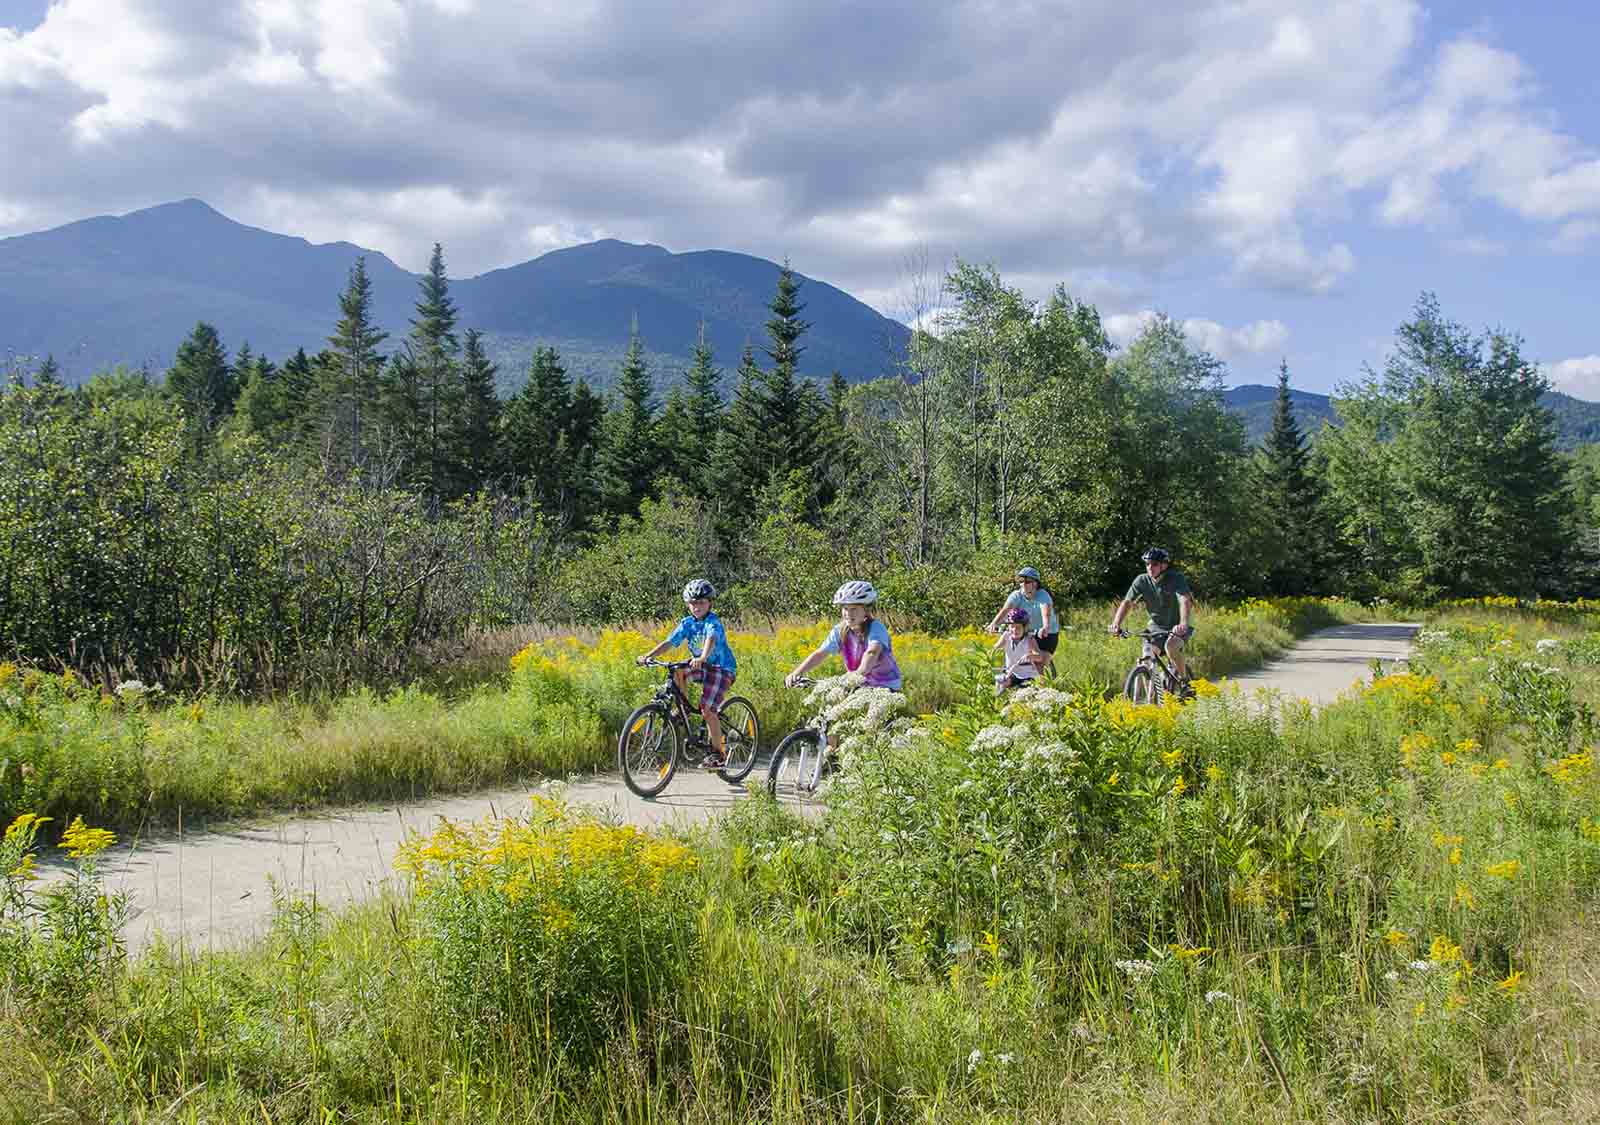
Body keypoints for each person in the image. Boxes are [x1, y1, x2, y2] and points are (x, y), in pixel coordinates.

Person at [637, 578, 737, 768]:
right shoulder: (687, 623)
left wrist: (703, 657)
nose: (697, 606)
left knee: (708, 710)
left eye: (701, 602)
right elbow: (669, 642)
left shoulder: (713, 622)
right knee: (677, 671)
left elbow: (711, 639)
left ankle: (719, 755)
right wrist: (647, 656)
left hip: (721, 669)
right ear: (687, 604)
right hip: (701, 667)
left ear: (709, 603)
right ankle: (682, 709)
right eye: (693, 603)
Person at [785, 580, 903, 692]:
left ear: (866, 610)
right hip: (856, 684)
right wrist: (797, 673)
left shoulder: (876, 627)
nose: (848, 613)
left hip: (885, 685)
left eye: (854, 609)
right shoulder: (840, 630)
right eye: (845, 608)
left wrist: (857, 674)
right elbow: (820, 653)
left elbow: (872, 652)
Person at [1107, 547, 1196, 686]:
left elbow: (1184, 600)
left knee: (1171, 647)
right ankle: (1153, 694)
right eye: (1147, 564)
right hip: (1155, 627)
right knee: (1147, 657)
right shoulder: (1142, 580)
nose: (1150, 567)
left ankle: (1184, 681)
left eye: (1154, 564)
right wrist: (1116, 623)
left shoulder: (1176, 578)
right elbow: (1127, 602)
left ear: (1164, 565)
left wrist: (1183, 623)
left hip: (1178, 626)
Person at [987, 566, 1060, 675]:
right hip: (1027, 633)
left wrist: (1045, 627)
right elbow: (1006, 610)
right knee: (1016, 657)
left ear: (1035, 583)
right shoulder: (1017, 595)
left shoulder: (1042, 595)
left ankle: (1042, 687)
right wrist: (994, 623)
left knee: (1039, 662)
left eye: (1027, 581)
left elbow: (1046, 612)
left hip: (1046, 635)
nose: (1023, 584)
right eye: (1021, 581)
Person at [993, 606, 1045, 694]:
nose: (1014, 630)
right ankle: (996, 704)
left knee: (1025, 694)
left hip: (1027, 675)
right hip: (1011, 672)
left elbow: (1040, 657)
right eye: (1012, 626)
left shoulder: (1029, 639)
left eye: (1018, 627)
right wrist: (995, 649)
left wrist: (1031, 656)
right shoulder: (1006, 636)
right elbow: (994, 649)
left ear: (1025, 628)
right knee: (1000, 683)